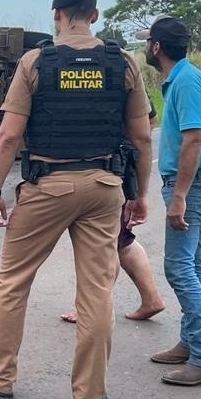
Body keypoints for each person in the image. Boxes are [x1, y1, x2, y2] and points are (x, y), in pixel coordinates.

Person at [0, 0, 152, 399]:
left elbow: (10, 135)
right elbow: (142, 137)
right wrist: (140, 195)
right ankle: (89, 396)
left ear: (57, 16)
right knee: (96, 291)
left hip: (46, 186)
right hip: (104, 187)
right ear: (94, 14)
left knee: (13, 282)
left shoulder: (37, 62)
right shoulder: (122, 63)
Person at [141, 16, 201, 387]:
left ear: (157, 47)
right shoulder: (181, 79)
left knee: (179, 269)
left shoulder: (187, 82)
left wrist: (179, 197)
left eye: (148, 42)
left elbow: (193, 140)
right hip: (189, 182)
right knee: (193, 263)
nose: (146, 47)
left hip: (188, 184)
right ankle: (191, 343)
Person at [60, 105, 165, 324]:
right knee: (122, 239)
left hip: (109, 169)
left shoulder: (113, 75)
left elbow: (146, 128)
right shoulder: (125, 76)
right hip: (120, 166)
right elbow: (149, 122)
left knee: (106, 243)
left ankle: (92, 307)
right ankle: (151, 298)